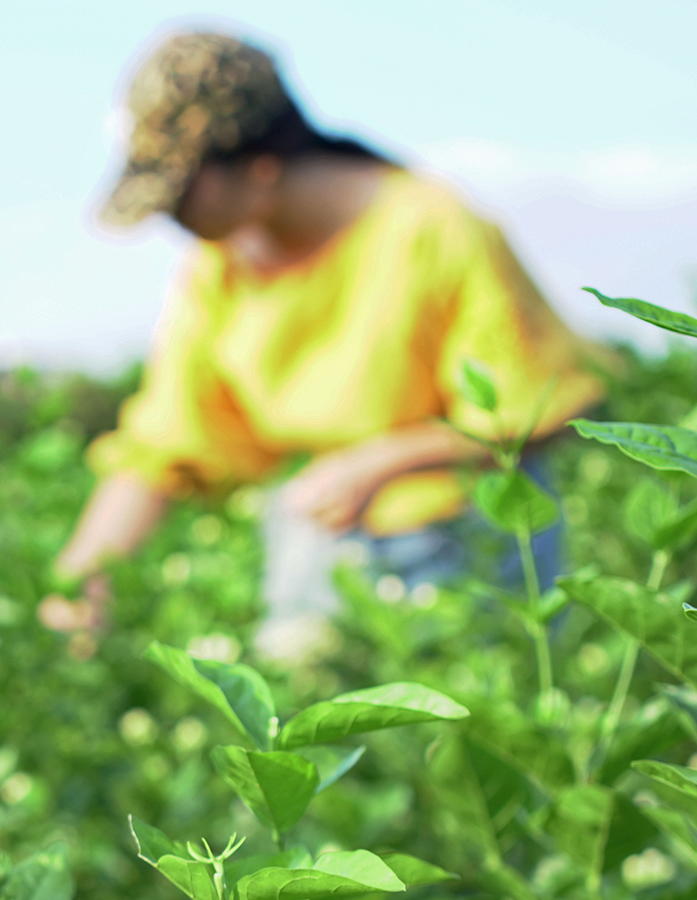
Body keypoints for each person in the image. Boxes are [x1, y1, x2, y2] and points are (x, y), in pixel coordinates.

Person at [39, 31, 607, 652]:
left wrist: (382, 461)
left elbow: (540, 411)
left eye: (181, 193)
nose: (170, 217)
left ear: (260, 170)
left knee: (470, 726)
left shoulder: (429, 227)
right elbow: (167, 443)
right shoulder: (220, 268)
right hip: (321, 535)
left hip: (469, 533)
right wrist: (87, 578)